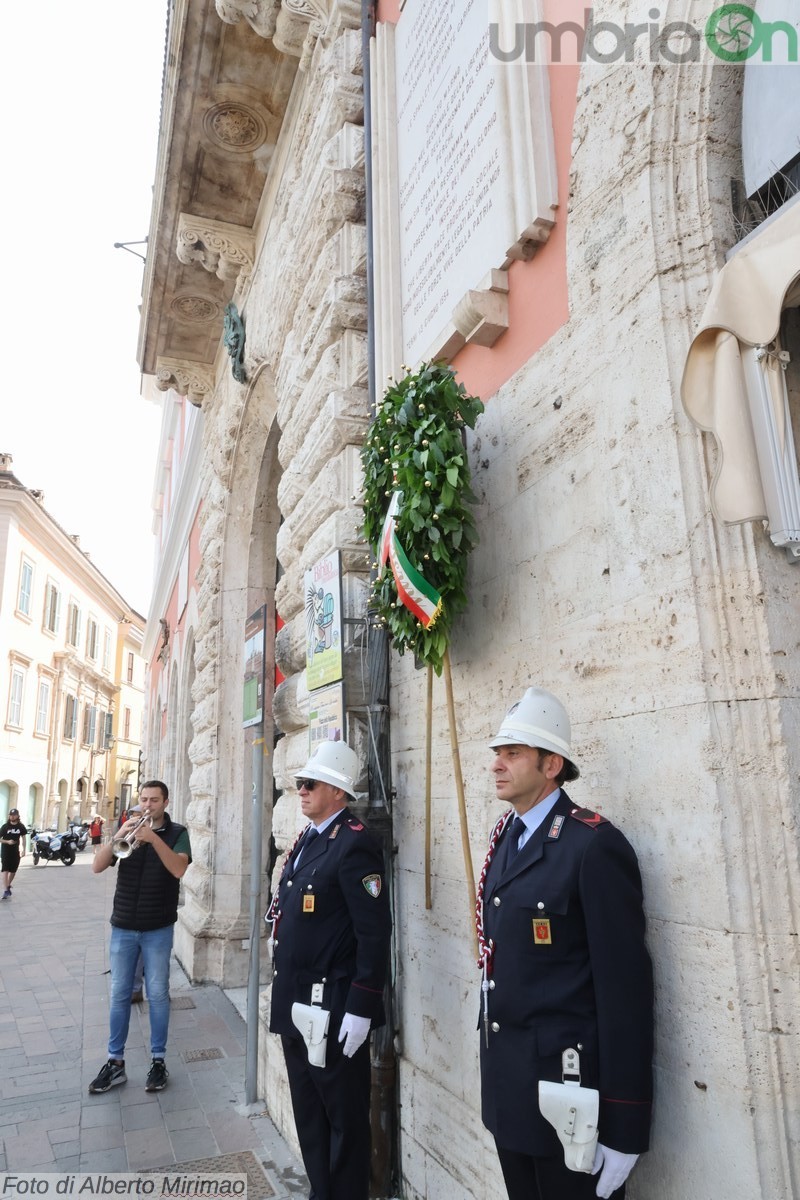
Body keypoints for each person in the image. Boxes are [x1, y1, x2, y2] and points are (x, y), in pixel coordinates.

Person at [476, 688, 654, 1200]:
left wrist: (624, 1127)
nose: (497, 765)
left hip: (570, 1104)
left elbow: (625, 995)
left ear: (552, 764)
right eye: (497, 754)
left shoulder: (592, 846)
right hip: (512, 1094)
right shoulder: (504, 839)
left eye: (513, 754)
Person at [266, 741, 392, 1200]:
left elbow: (374, 933)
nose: (299, 790)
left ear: (338, 791)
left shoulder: (353, 843)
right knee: (309, 1115)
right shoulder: (310, 838)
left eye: (309, 783)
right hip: (296, 1001)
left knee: (344, 1119)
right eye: (299, 783)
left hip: (333, 1006)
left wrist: (361, 1005)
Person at [88, 780, 191, 1095]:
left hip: (158, 928)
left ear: (166, 801)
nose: (147, 806)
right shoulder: (129, 830)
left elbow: (178, 870)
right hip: (123, 926)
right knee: (119, 994)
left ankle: (158, 1060)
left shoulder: (177, 833)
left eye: (154, 800)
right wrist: (120, 836)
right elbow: (97, 866)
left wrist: (153, 839)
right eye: (144, 799)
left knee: (158, 994)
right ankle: (115, 1062)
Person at [0, 809, 27, 898]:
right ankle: (5, 890)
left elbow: (23, 838)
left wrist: (24, 849)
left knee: (13, 870)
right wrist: (7, 841)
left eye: (14, 815)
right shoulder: (5, 827)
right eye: (11, 815)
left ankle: (7, 885)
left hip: (15, 851)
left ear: (18, 816)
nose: (12, 816)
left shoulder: (21, 827)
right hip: (6, 851)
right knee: (5, 870)